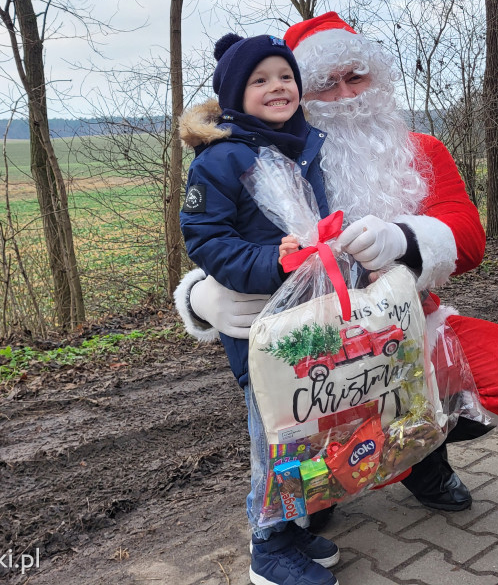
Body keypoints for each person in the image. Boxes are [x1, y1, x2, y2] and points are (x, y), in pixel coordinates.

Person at [175, 13, 498, 523]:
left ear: (378, 78)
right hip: (315, 341)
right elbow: (230, 238)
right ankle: (325, 482)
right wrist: (202, 296)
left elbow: (469, 238)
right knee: (308, 405)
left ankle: (418, 456)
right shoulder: (277, 159)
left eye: (356, 76)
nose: (345, 94)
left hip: (413, 324)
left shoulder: (421, 150)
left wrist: (400, 238)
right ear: (301, 96)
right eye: (326, 84)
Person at [177, 31, 340, 585]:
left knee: (309, 429)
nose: (278, 87)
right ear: (232, 94)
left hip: (311, 320)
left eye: (285, 77)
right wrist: (272, 260)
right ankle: (267, 545)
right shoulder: (222, 159)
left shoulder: (301, 146)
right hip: (260, 326)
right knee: (273, 437)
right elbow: (206, 238)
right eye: (260, 80)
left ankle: (294, 527)